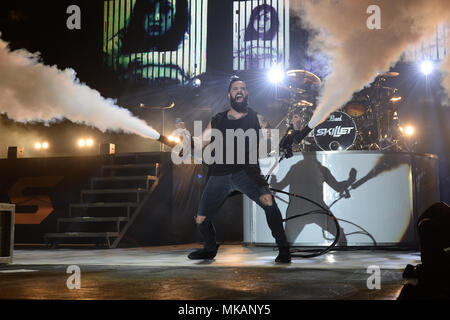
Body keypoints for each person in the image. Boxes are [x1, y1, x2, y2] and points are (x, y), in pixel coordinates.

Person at [187, 76, 292, 263]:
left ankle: (284, 248)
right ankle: (209, 250)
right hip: (219, 175)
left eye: (243, 88)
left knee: (269, 202)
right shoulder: (217, 119)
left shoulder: (257, 118)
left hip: (247, 173)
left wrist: (292, 131)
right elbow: (199, 143)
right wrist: (186, 142)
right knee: (201, 220)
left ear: (247, 94)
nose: (239, 91)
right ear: (229, 94)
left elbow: (275, 139)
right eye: (236, 88)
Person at [119, 0, 189, 54]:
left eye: (166, 9)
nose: (156, 18)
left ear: (178, 15)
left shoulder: (186, 47)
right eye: (149, 8)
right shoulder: (123, 40)